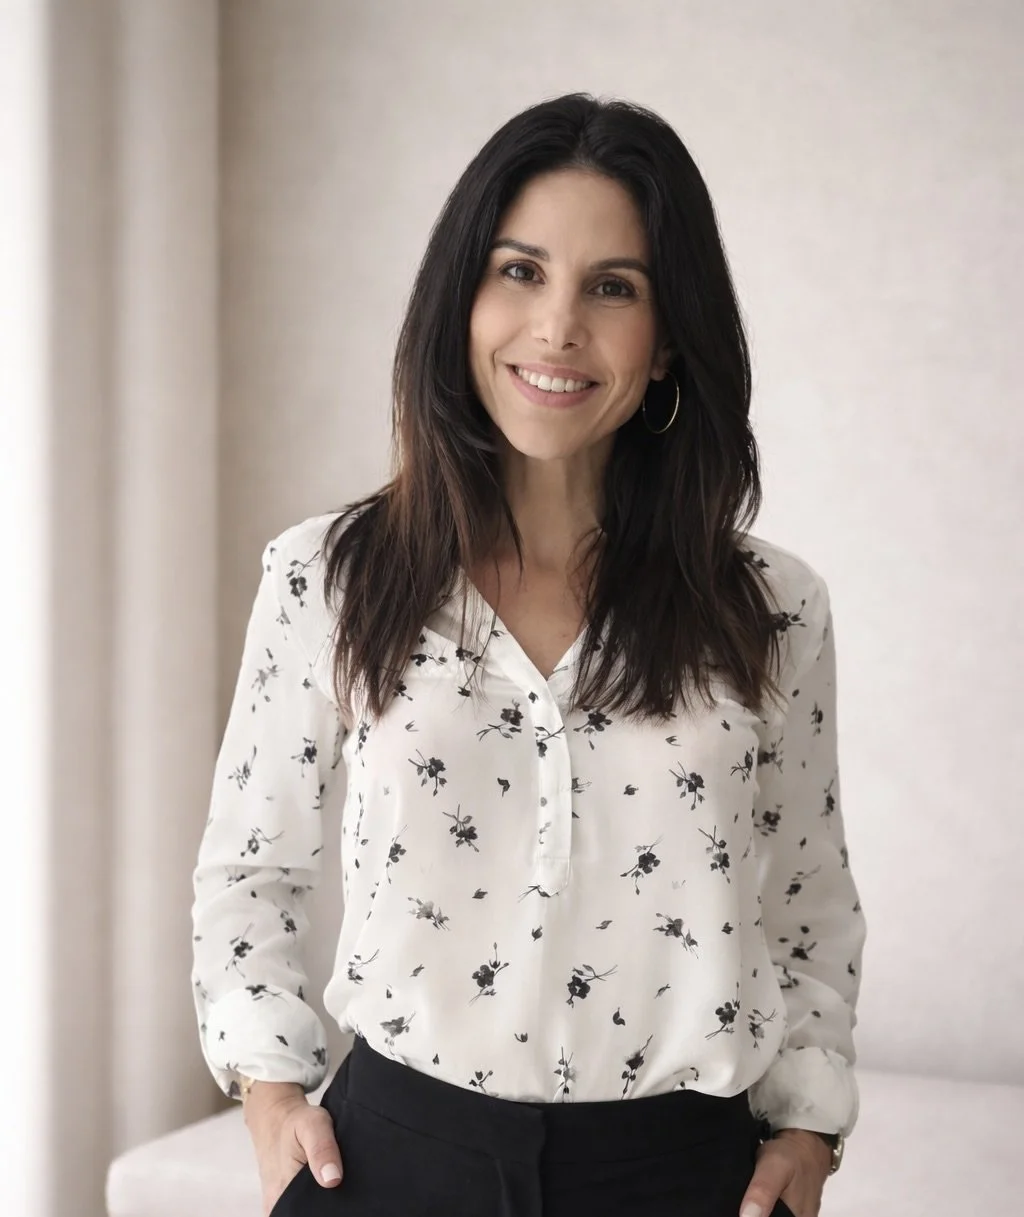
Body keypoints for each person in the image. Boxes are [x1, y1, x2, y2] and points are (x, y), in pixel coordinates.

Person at [190, 92, 866, 1217]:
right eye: (519, 270)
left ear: (666, 344)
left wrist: (808, 1129)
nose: (557, 327)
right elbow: (250, 866)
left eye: (613, 287)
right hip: (393, 1158)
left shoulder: (770, 608)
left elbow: (807, 898)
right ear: (460, 301)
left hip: (685, 1173)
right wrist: (269, 1088)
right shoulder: (329, 577)